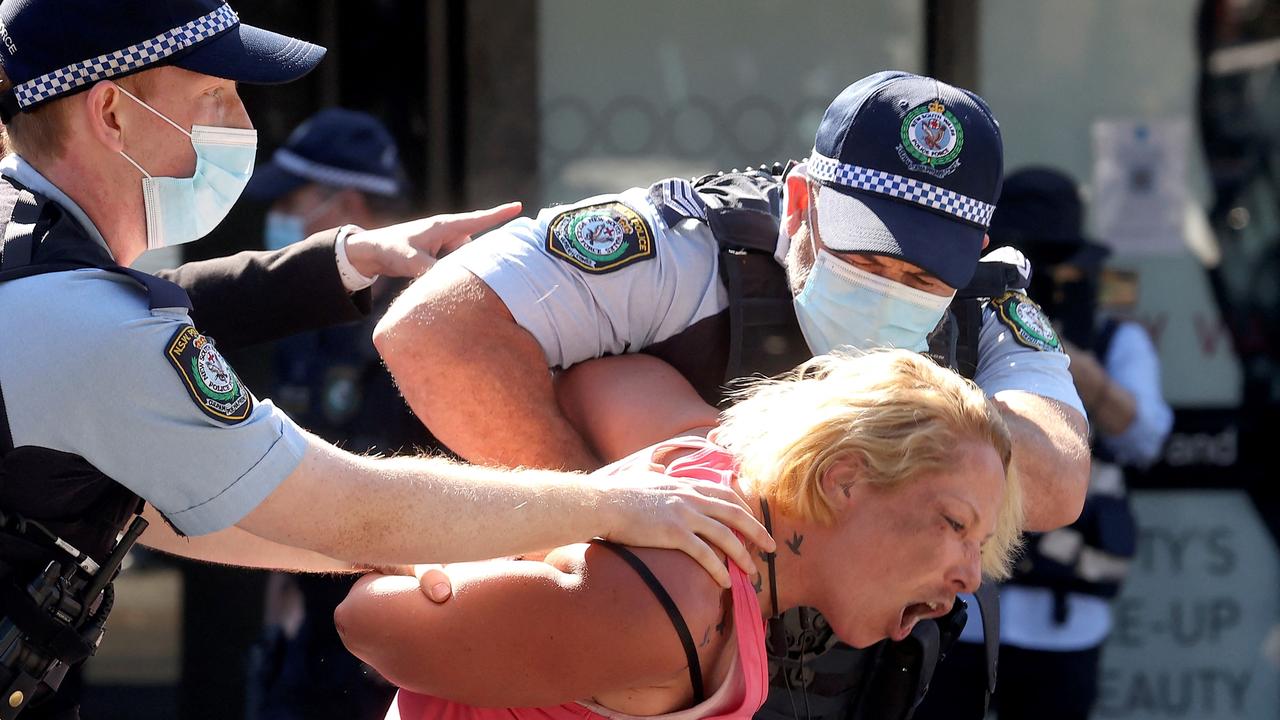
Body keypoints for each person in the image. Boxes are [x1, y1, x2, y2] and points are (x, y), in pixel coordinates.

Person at [0, 2, 771, 717]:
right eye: (214, 96)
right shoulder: (88, 327)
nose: (240, 122)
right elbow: (343, 502)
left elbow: (172, 509)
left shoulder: (29, 250)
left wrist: (351, 258)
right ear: (110, 114)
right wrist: (615, 504)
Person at [375, 71, 1091, 718]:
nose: (888, 289)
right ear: (804, 202)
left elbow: (1056, 483)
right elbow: (433, 333)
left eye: (924, 278)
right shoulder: (686, 246)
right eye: (867, 255)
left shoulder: (984, 300)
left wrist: (898, 421)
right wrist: (604, 528)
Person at [335, 350, 1026, 720]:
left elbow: (601, 377)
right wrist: (575, 510)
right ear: (843, 480)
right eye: (954, 524)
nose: (970, 574)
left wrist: (584, 505)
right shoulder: (676, 602)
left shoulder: (708, 464)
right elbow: (365, 618)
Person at [913, 167, 1174, 720]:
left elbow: (1147, 437)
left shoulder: (1114, 338)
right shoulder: (957, 323)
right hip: (956, 609)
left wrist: (1063, 364)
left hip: (1065, 614)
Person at [240, 107, 425, 720]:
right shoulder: (307, 313)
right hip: (310, 612)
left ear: (346, 201)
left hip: (405, 615)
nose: (282, 220)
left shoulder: (429, 318)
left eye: (294, 201)